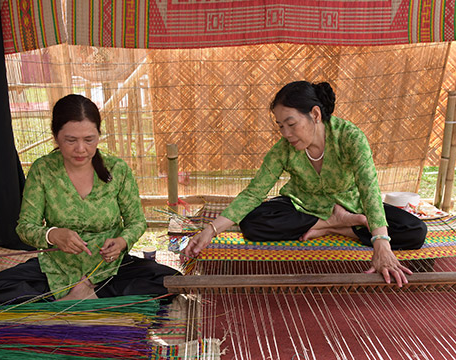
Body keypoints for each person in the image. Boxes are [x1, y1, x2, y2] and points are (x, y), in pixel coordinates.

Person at [182, 81, 427, 287]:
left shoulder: (350, 137)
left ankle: (339, 225)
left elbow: (369, 189)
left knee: (414, 231)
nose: (286, 133)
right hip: (303, 207)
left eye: (291, 124)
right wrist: (210, 231)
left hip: (351, 205)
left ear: (315, 115)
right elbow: (253, 194)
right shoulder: (283, 150)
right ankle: (331, 223)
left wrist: (381, 244)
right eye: (280, 126)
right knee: (252, 222)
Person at [0, 94, 178, 306]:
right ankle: (78, 295)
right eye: (70, 140)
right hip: (57, 267)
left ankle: (81, 296)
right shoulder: (43, 170)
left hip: (108, 268)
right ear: (55, 137)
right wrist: (52, 235)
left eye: (89, 139)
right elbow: (25, 227)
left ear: (99, 135)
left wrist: (121, 242)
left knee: (172, 282)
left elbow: (136, 221)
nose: (81, 149)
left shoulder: (117, 170)